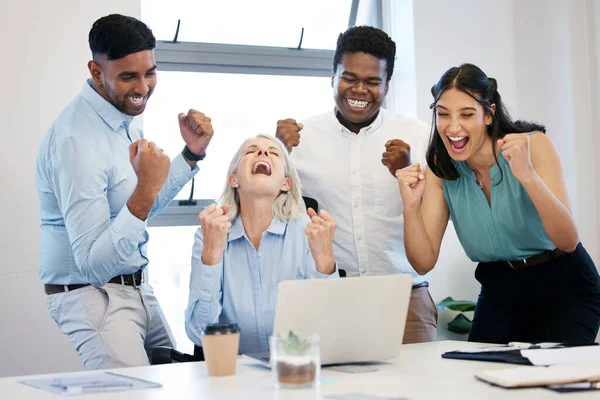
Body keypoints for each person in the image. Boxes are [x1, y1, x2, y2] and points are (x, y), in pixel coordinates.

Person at [36, 14, 215, 369]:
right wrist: (145, 189)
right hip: (93, 297)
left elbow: (136, 208)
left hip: (135, 290)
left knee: (180, 379)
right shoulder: (76, 141)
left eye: (150, 72)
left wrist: (190, 154)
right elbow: (94, 263)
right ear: (96, 70)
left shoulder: (120, 119)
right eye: (128, 76)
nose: (143, 88)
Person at [397, 63, 600, 344]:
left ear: (489, 114)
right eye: (443, 114)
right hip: (500, 289)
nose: (453, 127)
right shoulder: (440, 168)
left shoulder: (534, 145)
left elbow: (567, 241)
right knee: (480, 376)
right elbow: (422, 262)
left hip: (564, 285)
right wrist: (410, 206)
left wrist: (527, 176)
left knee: (554, 378)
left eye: (467, 114)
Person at [275, 26, 436, 343]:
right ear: (332, 77)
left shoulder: (419, 136)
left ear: (387, 86)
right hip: (331, 298)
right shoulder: (298, 139)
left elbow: (436, 219)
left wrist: (408, 174)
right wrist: (278, 152)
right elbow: (272, 215)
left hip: (406, 298)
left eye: (373, 81)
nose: (360, 89)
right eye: (349, 78)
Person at [185, 134, 339, 355]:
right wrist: (212, 254)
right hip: (234, 376)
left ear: (286, 183)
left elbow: (329, 331)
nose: (263, 152)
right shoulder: (209, 235)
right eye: (251, 151)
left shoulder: (308, 231)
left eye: (273, 152)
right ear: (234, 179)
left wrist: (325, 260)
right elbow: (198, 333)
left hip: (296, 369)